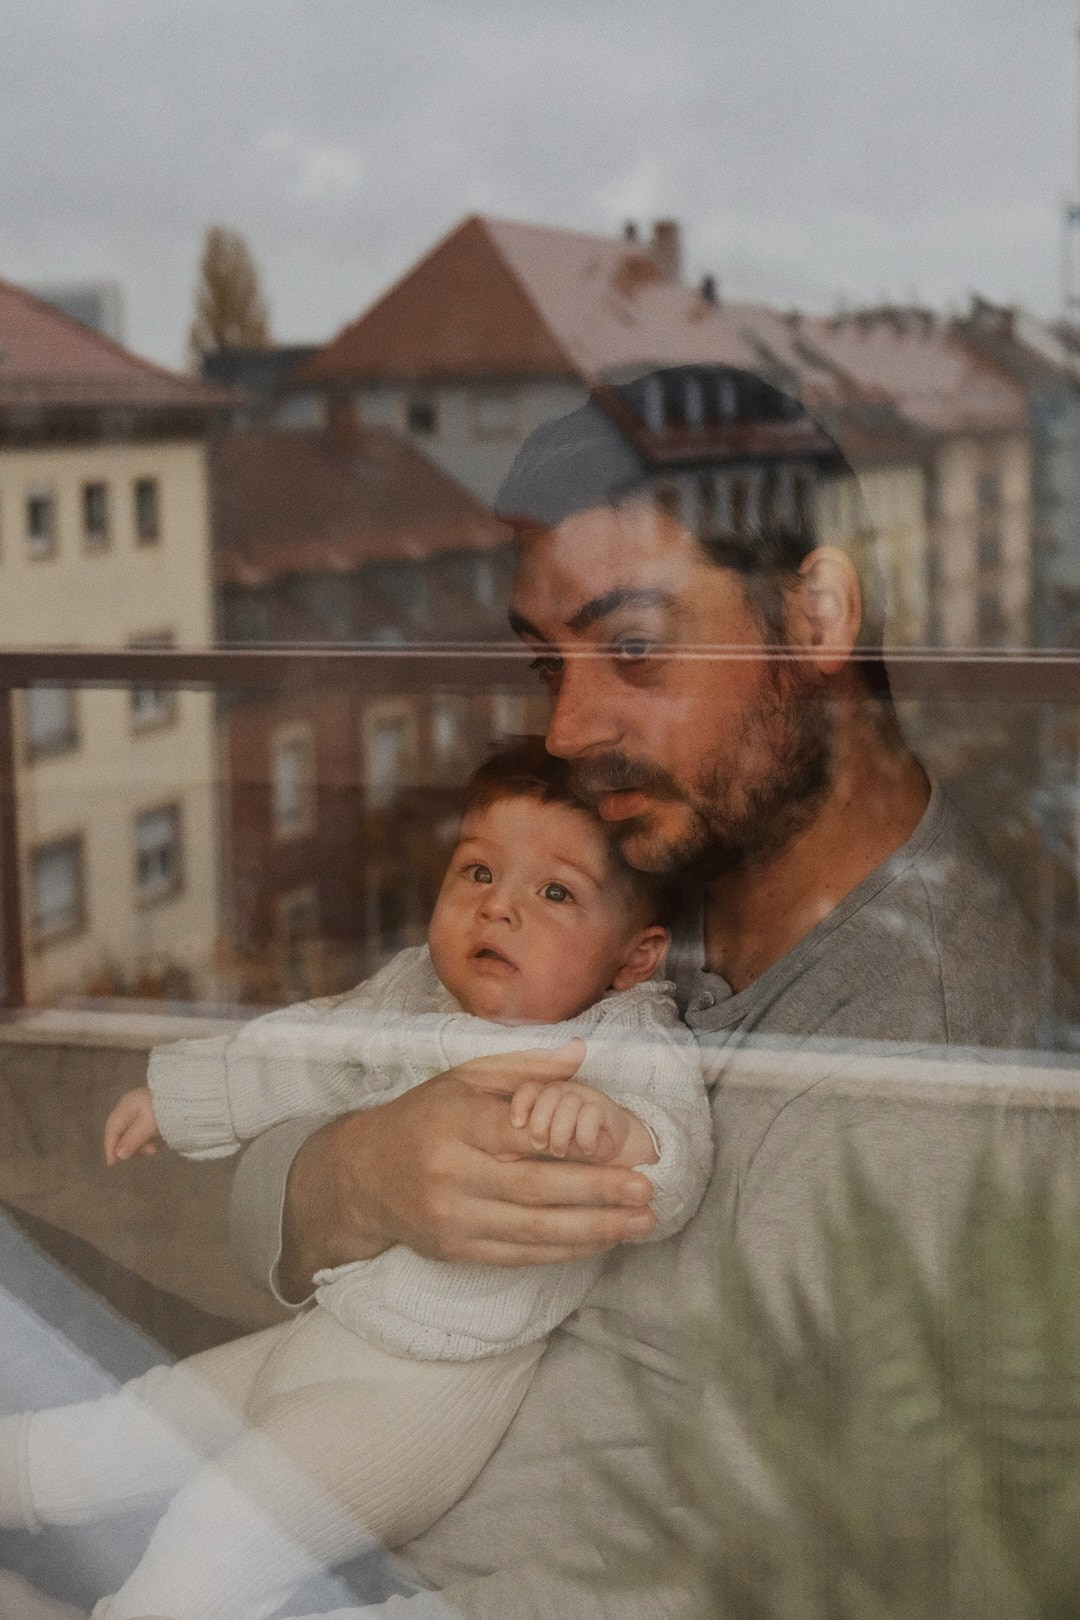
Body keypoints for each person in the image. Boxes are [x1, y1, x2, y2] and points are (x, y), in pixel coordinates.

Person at [224, 366, 1045, 1619]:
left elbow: (753, 1572)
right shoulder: (645, 887)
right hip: (273, 1492)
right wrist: (365, 1173)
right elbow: (256, 1193)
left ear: (817, 618)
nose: (564, 729)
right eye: (552, 664)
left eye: (635, 649)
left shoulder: (909, 1057)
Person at [0, 742, 710, 1620]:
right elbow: (306, 1048)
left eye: (553, 892)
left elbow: (676, 1161)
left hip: (419, 1404)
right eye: (478, 871)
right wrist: (177, 1099)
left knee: (224, 1523)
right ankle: (19, 1472)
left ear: (635, 958)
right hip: (327, 1333)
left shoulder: (623, 1042)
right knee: (146, 1418)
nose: (500, 906)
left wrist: (619, 1133)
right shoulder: (414, 993)